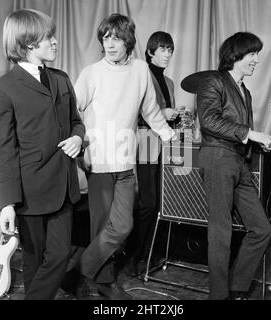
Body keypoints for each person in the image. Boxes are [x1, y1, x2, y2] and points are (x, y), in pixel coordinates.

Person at [74, 14, 176, 300]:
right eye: (105, 38)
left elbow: (152, 113)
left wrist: (171, 137)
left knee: (122, 226)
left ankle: (77, 272)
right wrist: (79, 143)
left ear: (128, 40)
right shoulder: (91, 73)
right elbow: (73, 111)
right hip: (99, 160)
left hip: (126, 161)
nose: (110, 44)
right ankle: (105, 284)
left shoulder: (141, 70)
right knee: (101, 225)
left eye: (116, 38)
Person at [0, 9, 85, 300]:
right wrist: (7, 203)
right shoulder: (1, 90)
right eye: (48, 37)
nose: (55, 42)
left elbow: (76, 121)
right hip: (28, 192)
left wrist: (78, 138)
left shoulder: (61, 78)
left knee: (57, 256)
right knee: (33, 261)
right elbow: (2, 150)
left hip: (64, 187)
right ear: (28, 43)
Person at [196, 32, 271, 300]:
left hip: (239, 163)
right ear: (237, 55)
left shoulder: (245, 92)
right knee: (221, 232)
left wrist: (255, 143)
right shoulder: (213, 81)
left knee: (261, 229)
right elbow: (208, 120)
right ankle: (219, 296)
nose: (256, 60)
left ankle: (237, 287)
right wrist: (251, 134)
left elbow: (237, 131)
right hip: (218, 160)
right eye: (252, 54)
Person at [127, 31, 178, 275]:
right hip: (146, 139)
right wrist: (161, 113)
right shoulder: (140, 74)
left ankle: (150, 252)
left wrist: (176, 116)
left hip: (164, 144)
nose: (167, 54)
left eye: (170, 50)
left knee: (161, 201)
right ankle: (133, 255)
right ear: (150, 52)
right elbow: (130, 111)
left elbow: (166, 117)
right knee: (148, 202)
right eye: (163, 49)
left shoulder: (168, 82)